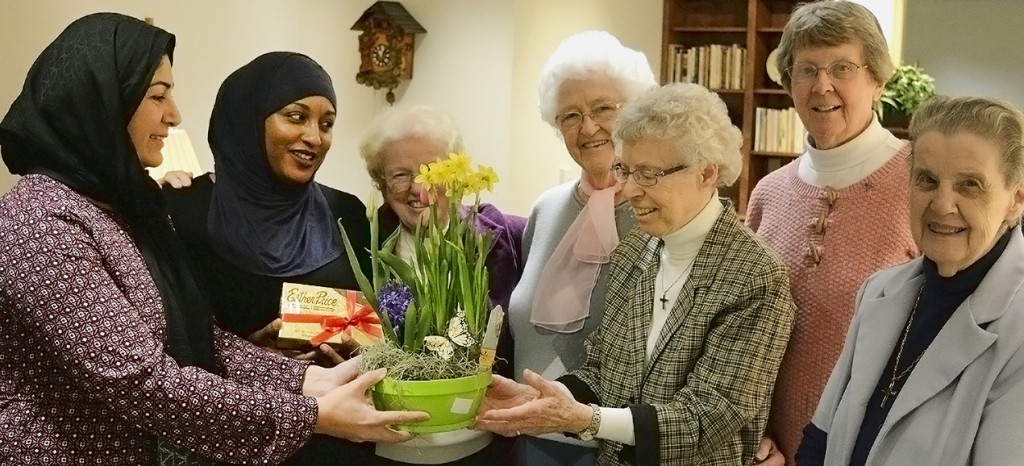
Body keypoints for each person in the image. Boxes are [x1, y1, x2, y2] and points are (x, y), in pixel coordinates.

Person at [0, 14, 425, 464]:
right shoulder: (41, 219)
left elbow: (201, 340)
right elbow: (142, 381)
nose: (175, 114)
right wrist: (310, 413)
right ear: (102, 102)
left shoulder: (117, 211)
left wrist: (307, 380)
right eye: (158, 95)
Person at [477, 83, 795, 466]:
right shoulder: (635, 252)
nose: (629, 189)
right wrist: (539, 398)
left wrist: (587, 419)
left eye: (648, 174)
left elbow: (710, 417)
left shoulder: (755, 276)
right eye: (624, 170)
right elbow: (602, 367)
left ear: (707, 172)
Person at [160, 51, 378, 464]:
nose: (315, 137)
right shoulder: (181, 212)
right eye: (296, 116)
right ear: (247, 120)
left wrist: (357, 342)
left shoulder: (346, 213)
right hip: (234, 443)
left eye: (327, 123)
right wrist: (245, 355)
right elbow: (159, 348)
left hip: (340, 444)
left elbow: (379, 321)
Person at [796, 96, 1024, 465]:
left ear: (1016, 199)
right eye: (927, 180)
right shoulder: (879, 292)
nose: (942, 204)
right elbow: (819, 442)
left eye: (970, 184)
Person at [744, 3, 919, 463]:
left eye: (842, 67)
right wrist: (753, 438)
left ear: (878, 80)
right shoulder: (767, 193)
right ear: (789, 84)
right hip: (771, 452)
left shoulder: (921, 185)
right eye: (806, 70)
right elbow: (738, 330)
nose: (823, 85)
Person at [506, 30, 656, 465]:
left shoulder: (660, 211)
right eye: (570, 115)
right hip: (534, 439)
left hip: (621, 446)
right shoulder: (546, 209)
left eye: (603, 109)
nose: (588, 127)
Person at [358, 105, 526, 464]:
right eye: (400, 175)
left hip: (482, 443)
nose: (419, 190)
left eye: (431, 172)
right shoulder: (360, 244)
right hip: (386, 448)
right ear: (380, 183)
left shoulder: (508, 238)